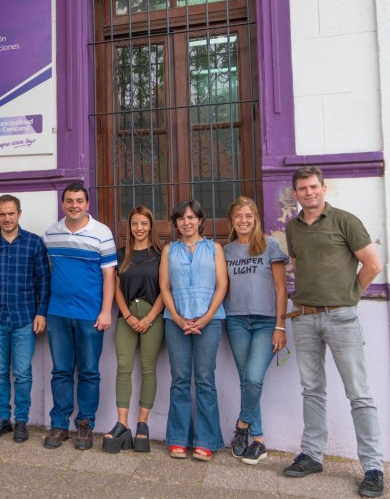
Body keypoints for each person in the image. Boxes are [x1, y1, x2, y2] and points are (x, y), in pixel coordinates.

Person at [283, 166, 385, 498]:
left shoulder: (345, 221)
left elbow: (373, 265)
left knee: (359, 392)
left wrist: (349, 295)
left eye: (314, 187)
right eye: (302, 188)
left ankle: (373, 467)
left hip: (341, 317)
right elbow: (298, 265)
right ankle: (312, 455)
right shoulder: (293, 228)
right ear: (295, 194)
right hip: (304, 317)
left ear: (324, 189)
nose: (309, 192)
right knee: (312, 389)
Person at [42, 182, 116, 451]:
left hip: (90, 316)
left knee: (89, 372)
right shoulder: (51, 234)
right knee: (60, 371)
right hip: (58, 314)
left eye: (79, 201)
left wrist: (106, 311)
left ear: (87, 204)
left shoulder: (102, 233)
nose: (74, 205)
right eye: (69, 201)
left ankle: (85, 425)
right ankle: (59, 425)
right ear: (63, 204)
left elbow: (109, 275)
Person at [0, 195, 50, 443]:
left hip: (25, 317)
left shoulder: (34, 243)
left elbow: (43, 280)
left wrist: (41, 312)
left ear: (19, 213)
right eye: (2, 214)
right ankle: (3, 419)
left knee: (23, 373)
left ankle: (22, 421)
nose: (7, 218)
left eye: (11, 213)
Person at [160, 200, 227, 461]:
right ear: (176, 223)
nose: (186, 222)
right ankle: (178, 439)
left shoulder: (214, 248)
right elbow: (164, 287)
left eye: (191, 217)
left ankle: (206, 441)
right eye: (181, 218)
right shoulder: (169, 250)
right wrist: (177, 318)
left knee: (205, 380)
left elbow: (222, 285)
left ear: (200, 220)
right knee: (179, 380)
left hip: (208, 322)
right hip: (176, 322)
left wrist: (206, 317)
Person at [223, 196, 289, 465]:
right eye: (238, 216)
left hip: (266, 322)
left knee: (253, 378)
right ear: (232, 220)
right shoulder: (226, 251)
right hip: (236, 320)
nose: (243, 220)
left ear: (256, 219)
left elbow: (281, 289)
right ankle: (258, 440)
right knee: (247, 381)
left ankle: (242, 426)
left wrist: (280, 325)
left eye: (248, 216)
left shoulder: (270, 245)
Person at [103, 207, 164, 454]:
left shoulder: (160, 254)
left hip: (153, 317)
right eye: (135, 224)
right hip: (126, 317)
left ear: (151, 226)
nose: (139, 228)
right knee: (123, 368)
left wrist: (149, 318)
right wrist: (127, 315)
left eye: (144, 224)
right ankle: (122, 424)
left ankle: (142, 423)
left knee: (148, 369)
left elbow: (165, 289)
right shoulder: (121, 254)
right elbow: (116, 288)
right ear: (129, 227)